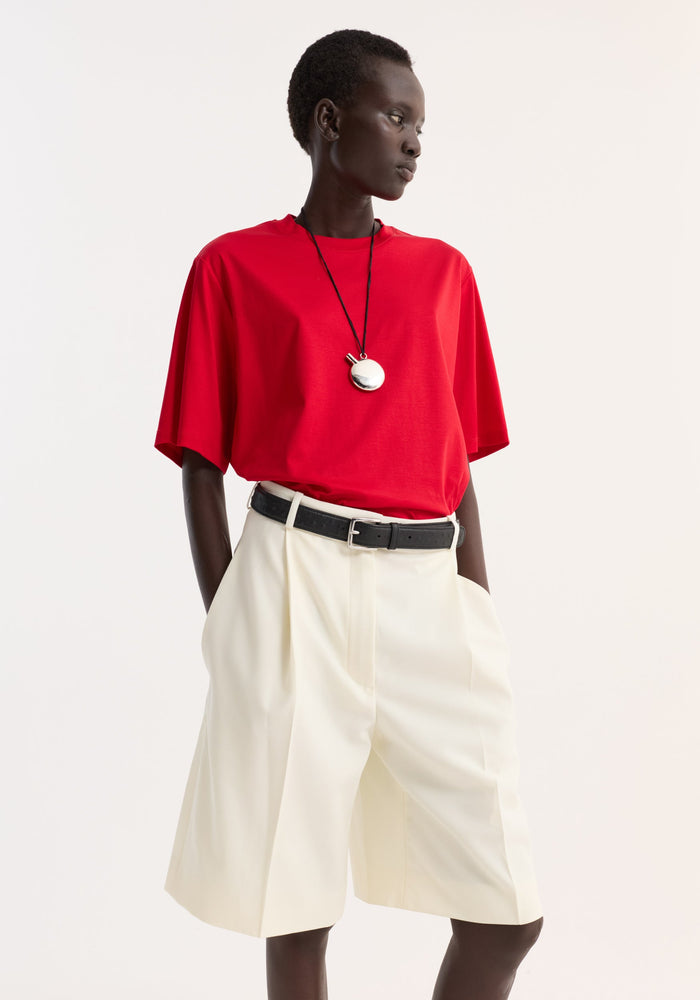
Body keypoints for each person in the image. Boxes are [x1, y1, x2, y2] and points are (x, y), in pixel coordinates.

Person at [154, 27, 544, 1000]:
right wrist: (230, 624)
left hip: (426, 587)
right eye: (396, 116)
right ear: (331, 123)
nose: (414, 140)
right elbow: (199, 466)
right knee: (297, 903)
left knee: (507, 906)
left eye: (422, 124)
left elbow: (456, 467)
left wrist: (474, 610)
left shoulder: (443, 275)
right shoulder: (231, 268)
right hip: (291, 578)